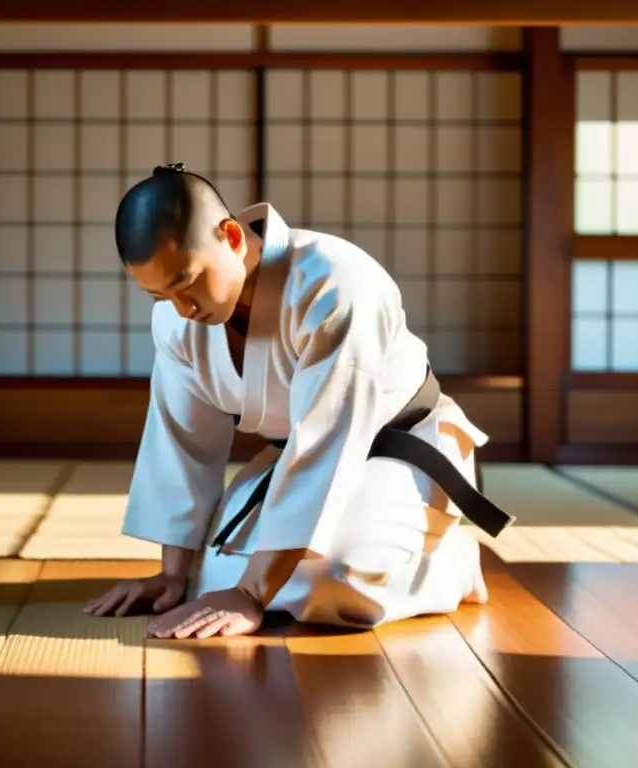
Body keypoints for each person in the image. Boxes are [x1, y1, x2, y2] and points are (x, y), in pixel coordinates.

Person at [84, 163, 514, 639]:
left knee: (330, 581)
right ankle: (302, 568)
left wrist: (251, 594)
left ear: (229, 235)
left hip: (402, 447)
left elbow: (328, 435)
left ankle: (447, 565)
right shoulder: (176, 321)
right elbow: (181, 442)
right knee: (206, 578)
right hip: (297, 457)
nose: (182, 308)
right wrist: (172, 575)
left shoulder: (335, 283)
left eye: (187, 282)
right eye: (158, 295)